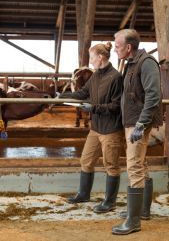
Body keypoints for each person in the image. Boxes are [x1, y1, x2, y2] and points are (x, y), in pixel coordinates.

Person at [60, 42, 125, 214]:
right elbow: (83, 93)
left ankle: (109, 202)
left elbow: (117, 106)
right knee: (86, 161)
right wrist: (62, 96)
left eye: (92, 58)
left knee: (111, 165)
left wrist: (94, 108)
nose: (90, 61)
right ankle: (83, 194)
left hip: (111, 129)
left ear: (101, 57)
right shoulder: (95, 76)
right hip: (96, 128)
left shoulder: (116, 77)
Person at [111, 29, 163, 235]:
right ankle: (142, 210)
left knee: (133, 165)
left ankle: (133, 221)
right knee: (140, 163)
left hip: (138, 122)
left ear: (128, 47)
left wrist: (141, 124)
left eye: (117, 45)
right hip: (132, 120)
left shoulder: (147, 62)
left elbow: (153, 95)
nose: (115, 49)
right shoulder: (132, 62)